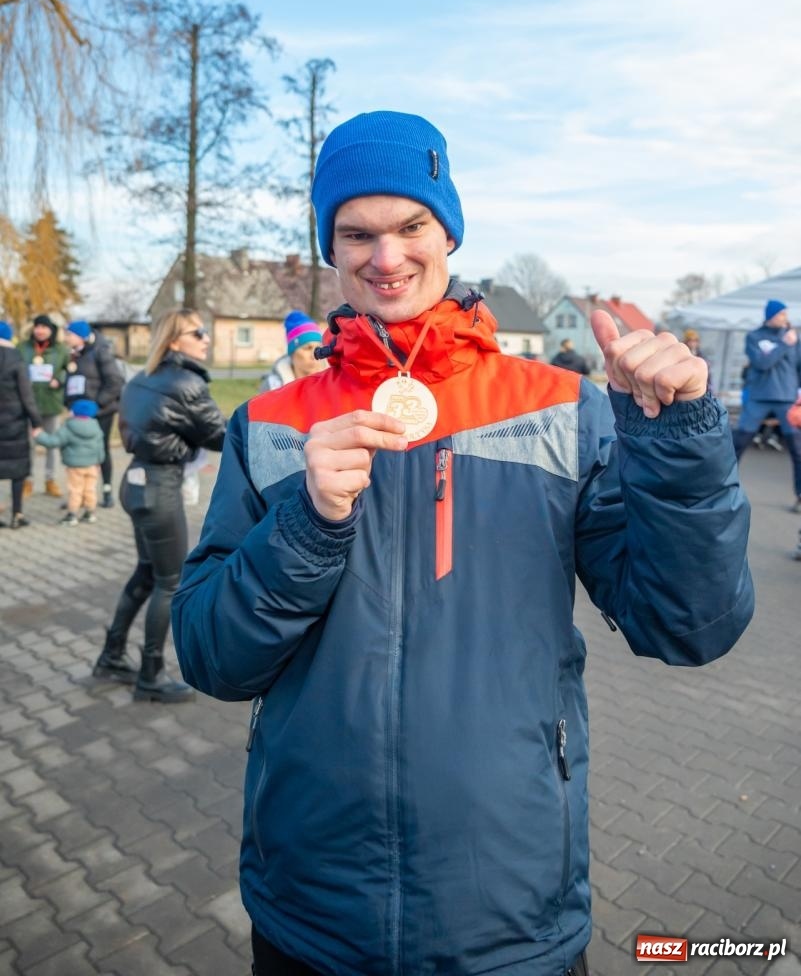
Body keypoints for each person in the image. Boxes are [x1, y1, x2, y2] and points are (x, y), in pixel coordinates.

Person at [172, 111, 753, 976]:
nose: (386, 256)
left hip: (506, 907)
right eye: (356, 233)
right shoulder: (272, 423)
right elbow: (211, 655)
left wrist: (678, 443)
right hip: (312, 906)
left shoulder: (561, 405)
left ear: (448, 230)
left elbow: (686, 624)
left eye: (410, 226)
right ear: (330, 248)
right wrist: (305, 525)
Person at [92, 309, 226, 702]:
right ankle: (150, 674)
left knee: (148, 573)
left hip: (135, 483)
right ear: (173, 341)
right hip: (159, 488)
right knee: (171, 582)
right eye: (197, 332)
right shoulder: (186, 383)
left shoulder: (142, 378)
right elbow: (220, 434)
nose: (206, 338)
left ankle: (111, 654)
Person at [731, 299, 801, 512]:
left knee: (798, 450)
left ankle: (800, 495)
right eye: (781, 314)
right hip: (759, 396)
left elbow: (798, 367)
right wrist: (783, 344)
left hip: (787, 398)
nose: (785, 318)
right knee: (738, 444)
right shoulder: (755, 337)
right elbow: (761, 363)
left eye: (785, 314)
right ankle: (719, 490)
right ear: (770, 315)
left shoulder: (793, 338)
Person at [64, 320, 125, 509]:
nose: (66, 338)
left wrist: (97, 404)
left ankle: (107, 492)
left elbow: (115, 381)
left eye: (69, 334)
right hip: (78, 414)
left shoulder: (100, 352)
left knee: (101, 450)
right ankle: (80, 495)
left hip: (101, 412)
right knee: (80, 453)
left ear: (80, 336)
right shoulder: (74, 354)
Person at [17, 313, 70, 497]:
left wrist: (60, 379)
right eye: (37, 326)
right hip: (28, 403)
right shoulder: (23, 348)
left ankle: (50, 480)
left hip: (51, 402)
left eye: (44, 327)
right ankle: (28, 480)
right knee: (28, 445)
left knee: (51, 444)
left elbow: (69, 369)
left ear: (51, 330)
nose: (40, 330)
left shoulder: (61, 349)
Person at [35, 398, 105, 525]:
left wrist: (39, 436)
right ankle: (90, 513)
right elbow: (100, 446)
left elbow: (53, 441)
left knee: (75, 489)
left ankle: (72, 515)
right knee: (90, 489)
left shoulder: (68, 426)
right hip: (92, 465)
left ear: (73, 412)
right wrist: (99, 461)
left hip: (75, 466)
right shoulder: (96, 426)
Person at [0, 321, 42, 528]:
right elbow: (27, 395)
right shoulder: (17, 358)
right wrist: (36, 421)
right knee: (17, 471)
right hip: (14, 422)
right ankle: (17, 514)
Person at [259, 311, 326, 392]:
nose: (315, 355)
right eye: (308, 348)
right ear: (292, 353)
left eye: (318, 348)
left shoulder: (331, 383)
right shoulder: (273, 389)